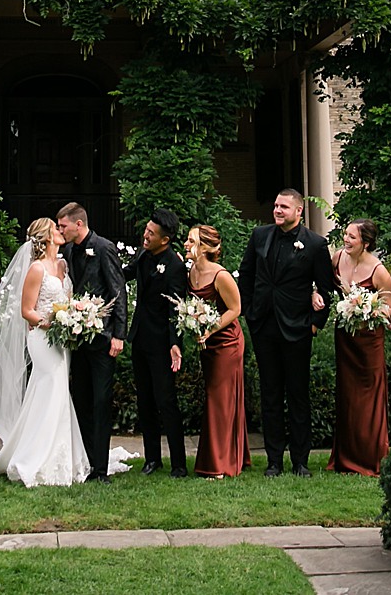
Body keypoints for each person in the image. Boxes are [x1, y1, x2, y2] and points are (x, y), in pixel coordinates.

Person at [237, 187, 338, 476]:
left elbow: (325, 288)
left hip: (297, 328)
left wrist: (316, 322)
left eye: (284, 207)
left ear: (298, 211)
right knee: (269, 394)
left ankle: (300, 461)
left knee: (297, 395)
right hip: (264, 325)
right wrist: (250, 313)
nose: (278, 210)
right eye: (276, 206)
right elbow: (247, 274)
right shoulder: (260, 236)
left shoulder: (315, 244)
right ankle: (273, 461)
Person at [0, 217, 92, 487]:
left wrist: (74, 318)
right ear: (46, 237)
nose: (60, 231)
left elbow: (67, 300)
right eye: (56, 229)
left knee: (54, 392)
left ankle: (60, 454)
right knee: (52, 388)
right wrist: (51, 322)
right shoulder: (36, 269)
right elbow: (26, 311)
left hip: (63, 338)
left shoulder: (64, 265)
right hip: (43, 338)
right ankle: (38, 458)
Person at [55, 202, 127, 482]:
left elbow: (118, 291)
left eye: (63, 226)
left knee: (101, 402)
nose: (61, 231)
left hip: (104, 339)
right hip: (78, 339)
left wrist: (119, 334)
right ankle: (85, 462)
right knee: (81, 401)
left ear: (78, 225)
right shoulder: (70, 250)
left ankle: (101, 468)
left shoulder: (104, 248)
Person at [122, 208, 189, 477]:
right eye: (146, 231)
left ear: (165, 239)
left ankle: (179, 464)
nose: (145, 236)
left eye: (151, 233)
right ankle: (152, 459)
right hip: (140, 338)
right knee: (145, 401)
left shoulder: (174, 266)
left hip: (161, 343)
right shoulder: (143, 256)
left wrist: (175, 343)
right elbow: (125, 273)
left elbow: (176, 308)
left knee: (166, 402)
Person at [328, 217, 391, 475]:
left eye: (351, 237)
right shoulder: (336, 259)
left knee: (367, 397)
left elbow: (389, 310)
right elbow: (322, 285)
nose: (346, 240)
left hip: (368, 342)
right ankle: (345, 457)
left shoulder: (379, 272)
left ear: (365, 243)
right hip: (345, 338)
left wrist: (366, 310)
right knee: (347, 395)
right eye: (345, 234)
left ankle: (369, 458)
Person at [185, 224, 247, 478]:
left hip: (227, 343)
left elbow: (235, 309)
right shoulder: (190, 272)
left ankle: (218, 464)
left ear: (204, 248)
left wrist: (210, 329)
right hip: (207, 344)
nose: (186, 244)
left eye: (191, 241)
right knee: (216, 397)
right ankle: (231, 453)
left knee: (218, 400)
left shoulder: (221, 275)